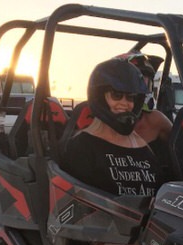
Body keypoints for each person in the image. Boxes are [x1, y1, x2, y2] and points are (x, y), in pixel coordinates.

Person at [61, 58, 167, 198]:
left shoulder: (143, 149)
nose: (125, 103)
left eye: (130, 97)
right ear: (100, 96)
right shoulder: (81, 147)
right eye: (116, 95)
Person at [114, 51, 173, 168]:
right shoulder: (99, 125)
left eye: (146, 83)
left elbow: (182, 149)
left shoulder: (156, 120)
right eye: (137, 83)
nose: (142, 90)